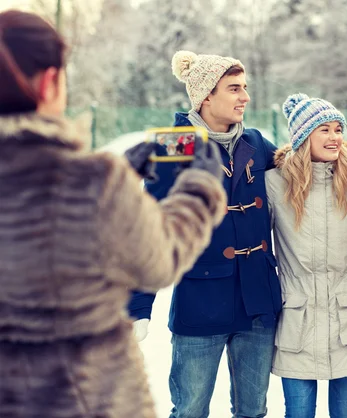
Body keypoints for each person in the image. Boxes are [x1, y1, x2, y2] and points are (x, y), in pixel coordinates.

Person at [0, 10, 226, 418]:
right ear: (51, 81)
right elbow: (158, 261)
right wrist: (201, 188)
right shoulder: (90, 183)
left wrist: (121, 177)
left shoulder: (97, 182)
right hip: (84, 398)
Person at [127, 51, 282, 418]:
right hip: (201, 304)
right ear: (206, 97)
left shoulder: (256, 143)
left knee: (253, 411)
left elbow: (307, 166)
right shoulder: (174, 145)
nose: (245, 97)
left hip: (257, 303)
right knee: (191, 410)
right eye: (234, 89)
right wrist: (138, 304)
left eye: (245, 88)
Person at [266, 94, 347, 418]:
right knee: (298, 413)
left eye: (337, 130)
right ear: (303, 137)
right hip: (296, 321)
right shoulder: (275, 184)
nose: (335, 138)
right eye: (325, 130)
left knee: (346, 414)